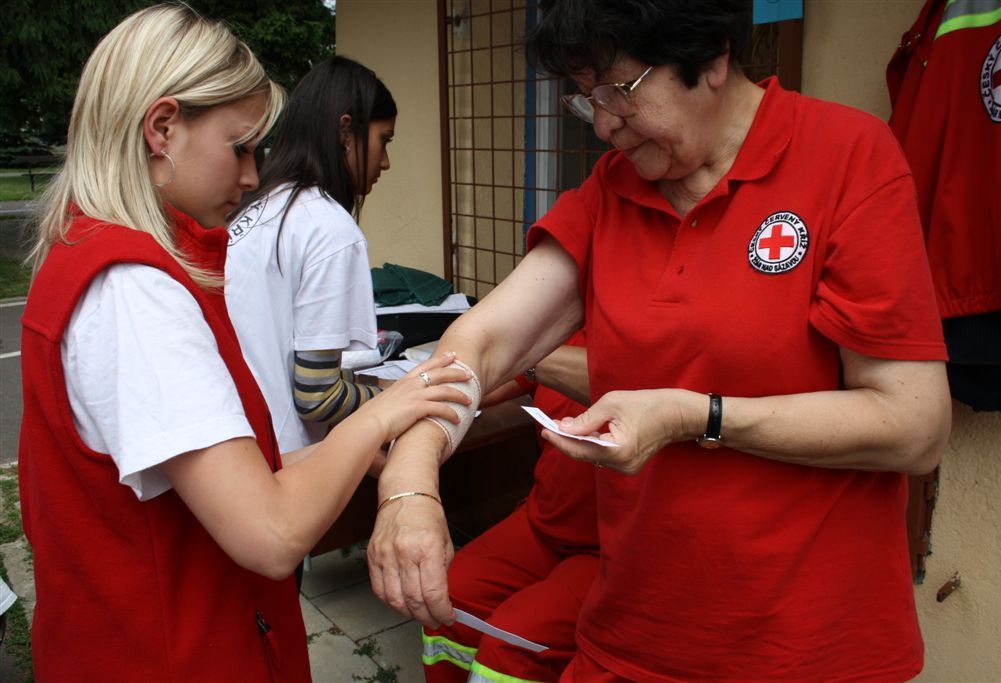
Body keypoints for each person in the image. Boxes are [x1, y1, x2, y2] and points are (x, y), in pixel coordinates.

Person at [367, 1, 953, 681]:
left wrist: (694, 415)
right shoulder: (610, 193)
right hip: (637, 633)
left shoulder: (846, 157)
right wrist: (410, 483)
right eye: (587, 98)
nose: (606, 123)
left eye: (620, 90)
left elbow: (915, 424)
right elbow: (485, 340)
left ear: (710, 57)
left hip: (808, 646)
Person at [18, 5, 469, 680]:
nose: (254, 175)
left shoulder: (90, 250)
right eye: (240, 147)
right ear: (162, 128)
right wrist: (383, 409)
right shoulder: (135, 292)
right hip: (177, 653)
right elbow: (271, 533)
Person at [227, 56, 397, 456]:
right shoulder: (330, 228)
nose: (386, 163)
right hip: (286, 461)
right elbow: (316, 398)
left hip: (238, 445)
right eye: (384, 140)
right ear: (346, 132)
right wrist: (395, 395)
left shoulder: (256, 207)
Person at [422, 332, 598, 683]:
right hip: (546, 521)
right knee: (449, 596)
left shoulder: (660, 341)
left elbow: (629, 381)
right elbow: (478, 380)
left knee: (511, 646)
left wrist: (529, 354)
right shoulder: (568, 324)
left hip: (615, 548)